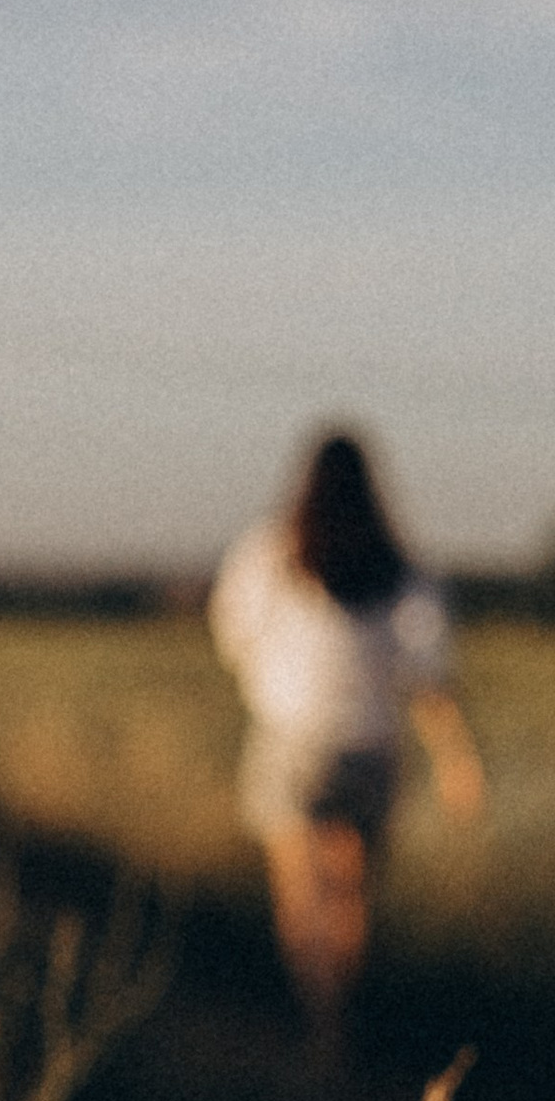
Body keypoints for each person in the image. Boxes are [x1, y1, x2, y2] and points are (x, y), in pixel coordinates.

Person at [208, 425, 486, 1032]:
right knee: (348, 898)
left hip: (290, 741)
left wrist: (271, 670)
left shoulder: (269, 554)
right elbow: (429, 680)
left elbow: (231, 633)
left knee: (300, 897)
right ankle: (340, 1021)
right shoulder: (400, 568)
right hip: (371, 747)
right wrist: (457, 763)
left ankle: (315, 1019)